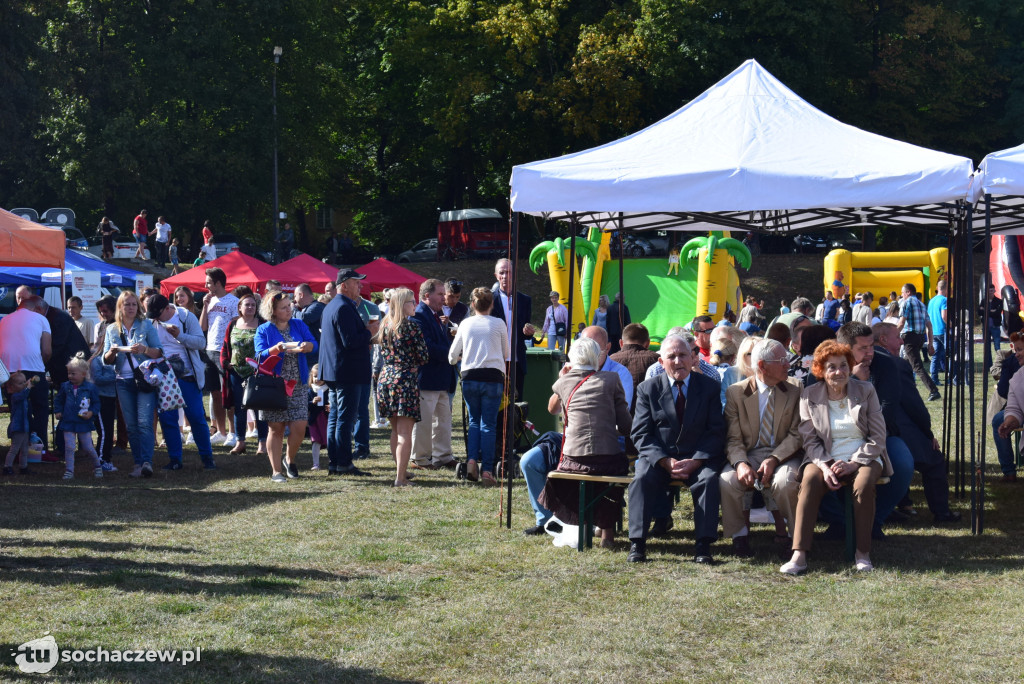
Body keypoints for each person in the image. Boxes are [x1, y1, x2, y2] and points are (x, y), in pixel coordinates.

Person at [780, 341, 891, 575]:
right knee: (809, 480)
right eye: (831, 367)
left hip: (864, 455)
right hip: (824, 457)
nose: (838, 372)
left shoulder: (866, 391)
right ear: (821, 370)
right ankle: (799, 554)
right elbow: (809, 439)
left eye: (843, 366)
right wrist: (826, 466)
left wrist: (854, 463)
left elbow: (879, 437)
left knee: (863, 484)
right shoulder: (809, 395)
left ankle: (863, 553)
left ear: (850, 367)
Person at [521, 326, 632, 536]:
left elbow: (553, 410)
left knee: (593, 473)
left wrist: (561, 379)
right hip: (602, 454)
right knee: (614, 473)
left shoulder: (572, 380)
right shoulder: (608, 379)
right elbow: (626, 427)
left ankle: (571, 523)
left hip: (574, 457)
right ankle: (601, 533)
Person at [626, 334, 725, 564]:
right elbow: (640, 433)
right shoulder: (647, 389)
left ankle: (703, 546)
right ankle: (637, 544)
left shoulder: (710, 387)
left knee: (709, 479)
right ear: (661, 362)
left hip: (698, 458)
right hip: (659, 457)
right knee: (641, 478)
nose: (678, 361)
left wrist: (697, 460)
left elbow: (716, 431)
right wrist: (663, 461)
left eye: (683, 355)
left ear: (693, 358)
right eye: (671, 357)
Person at [721, 339, 803, 556]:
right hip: (749, 453)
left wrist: (775, 459)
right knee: (728, 480)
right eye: (782, 360)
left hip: (784, 454)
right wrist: (740, 464)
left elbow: (797, 434)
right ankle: (739, 536)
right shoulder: (735, 393)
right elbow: (733, 438)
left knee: (786, 481)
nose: (788, 364)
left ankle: (796, 539)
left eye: (787, 359)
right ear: (762, 366)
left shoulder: (795, 389)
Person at [873, 323, 961, 522]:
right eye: (898, 337)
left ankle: (902, 504)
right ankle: (941, 512)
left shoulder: (863, 361)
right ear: (884, 340)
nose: (902, 341)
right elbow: (913, 405)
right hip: (896, 428)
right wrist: (928, 434)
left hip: (877, 429)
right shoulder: (896, 364)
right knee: (934, 461)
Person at [146, 294, 216, 471]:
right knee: (168, 419)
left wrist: (180, 336)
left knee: (196, 417)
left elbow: (201, 343)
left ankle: (207, 458)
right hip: (164, 376)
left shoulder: (185, 317)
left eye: (157, 314)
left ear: (167, 308)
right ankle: (175, 459)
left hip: (187, 376)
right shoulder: (152, 322)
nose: (155, 317)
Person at [254, 291, 317, 482]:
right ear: (272, 311)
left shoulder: (298, 324)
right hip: (274, 385)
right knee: (276, 428)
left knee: (300, 425)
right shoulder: (264, 329)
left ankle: (289, 459)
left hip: (297, 383)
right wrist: (277, 348)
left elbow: (314, 343)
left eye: (289, 306)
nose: (289, 310)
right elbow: (259, 355)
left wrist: (307, 345)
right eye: (284, 307)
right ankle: (276, 471)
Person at [318, 269, 376, 476]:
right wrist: (370, 332)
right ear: (343, 285)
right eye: (356, 283)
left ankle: (336, 462)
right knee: (344, 418)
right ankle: (343, 463)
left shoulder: (334, 305)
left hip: (336, 370)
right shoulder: (342, 306)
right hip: (346, 371)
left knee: (336, 417)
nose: (360, 286)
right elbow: (350, 341)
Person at [449, 287, 509, 484]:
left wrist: (461, 357)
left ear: (472, 304)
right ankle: (488, 470)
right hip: (493, 377)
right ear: (492, 304)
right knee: (489, 423)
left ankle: (472, 460)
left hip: (470, 376)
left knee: (474, 421)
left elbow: (451, 356)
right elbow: (506, 353)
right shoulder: (499, 323)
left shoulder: (465, 324)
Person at [103, 291, 162, 477]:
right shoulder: (112, 329)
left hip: (144, 379)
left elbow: (159, 352)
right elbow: (106, 360)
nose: (130, 308)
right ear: (120, 307)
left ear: (138, 307)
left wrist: (145, 349)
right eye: (127, 304)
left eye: (134, 304)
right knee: (131, 426)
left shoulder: (146, 326)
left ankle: (146, 462)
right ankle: (138, 463)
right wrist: (112, 352)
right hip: (123, 381)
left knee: (144, 422)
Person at [376, 287, 429, 486]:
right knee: (405, 433)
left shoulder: (385, 325)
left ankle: (402, 472)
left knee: (395, 430)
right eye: (411, 302)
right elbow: (424, 356)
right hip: (405, 378)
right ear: (402, 304)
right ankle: (400, 478)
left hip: (386, 378)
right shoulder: (411, 327)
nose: (415, 305)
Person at [408, 279, 456, 470]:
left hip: (442, 377)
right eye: (440, 294)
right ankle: (419, 458)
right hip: (427, 377)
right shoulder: (419, 315)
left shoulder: (436, 314)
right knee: (424, 422)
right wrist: (452, 354)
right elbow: (426, 347)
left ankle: (443, 455)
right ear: (427, 296)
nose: (444, 298)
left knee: (443, 420)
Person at [0, 296, 52, 456]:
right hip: (34, 367)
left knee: (17, 410)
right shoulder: (41, 319)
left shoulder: (4, 320)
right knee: (41, 408)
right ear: (38, 308)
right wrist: (41, 365)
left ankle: (19, 448)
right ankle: (40, 448)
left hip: (8, 371)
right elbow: (47, 350)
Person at [221, 291, 268, 456]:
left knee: (259, 409)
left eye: (253, 305)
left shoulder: (263, 324)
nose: (250, 307)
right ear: (239, 307)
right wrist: (226, 363)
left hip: (257, 373)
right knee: (239, 409)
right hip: (236, 373)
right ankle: (240, 442)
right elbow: (225, 347)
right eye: (247, 304)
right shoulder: (232, 324)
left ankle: (262, 444)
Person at [199, 267, 239, 447]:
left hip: (225, 351)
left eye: (208, 282)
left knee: (228, 394)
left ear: (217, 283)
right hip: (209, 349)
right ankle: (221, 432)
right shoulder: (209, 300)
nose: (206, 285)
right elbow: (202, 327)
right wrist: (205, 306)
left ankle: (233, 432)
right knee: (215, 393)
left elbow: (237, 327)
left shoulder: (233, 301)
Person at [490, 258, 535, 398]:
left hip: (517, 361)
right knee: (497, 402)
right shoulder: (489, 300)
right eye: (501, 272)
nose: (505, 276)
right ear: (496, 275)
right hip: (496, 360)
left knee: (517, 403)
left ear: (514, 274)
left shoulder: (524, 300)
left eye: (508, 272)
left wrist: (528, 332)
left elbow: (525, 331)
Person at [53, 354, 103, 479]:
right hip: (68, 421)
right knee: (69, 447)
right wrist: (58, 411)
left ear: (83, 374)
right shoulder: (65, 386)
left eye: (73, 373)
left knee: (87, 447)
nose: (70, 376)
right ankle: (69, 470)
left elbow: (97, 403)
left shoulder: (90, 388)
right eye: (69, 373)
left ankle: (97, 466)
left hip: (83, 422)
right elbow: (58, 399)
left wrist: (91, 412)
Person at [897, 282, 940, 401]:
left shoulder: (906, 303)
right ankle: (905, 388)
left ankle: (933, 390)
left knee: (917, 366)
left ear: (908, 292)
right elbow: (929, 326)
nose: (901, 295)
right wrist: (930, 343)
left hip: (909, 336)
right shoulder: (921, 304)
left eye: (902, 292)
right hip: (920, 337)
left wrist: (893, 334)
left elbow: (901, 322)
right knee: (904, 363)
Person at [610, 323, 660, 409]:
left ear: (621, 343)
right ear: (648, 343)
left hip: (617, 417)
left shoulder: (610, 361)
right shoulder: (657, 360)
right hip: (649, 415)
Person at [89, 346, 117, 471]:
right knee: (104, 431)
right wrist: (117, 377)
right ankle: (100, 460)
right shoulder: (97, 359)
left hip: (111, 398)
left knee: (109, 430)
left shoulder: (118, 358)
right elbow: (97, 378)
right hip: (101, 398)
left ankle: (106, 458)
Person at [3, 372, 35, 475]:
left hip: (24, 426)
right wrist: (28, 387)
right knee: (14, 449)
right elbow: (23, 395)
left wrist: (29, 385)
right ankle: (7, 467)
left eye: (24, 382)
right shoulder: (15, 396)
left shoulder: (23, 395)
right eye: (20, 383)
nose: (24, 384)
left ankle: (23, 467)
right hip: (18, 427)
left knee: (25, 449)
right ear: (12, 387)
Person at [293, 283, 325, 368]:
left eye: (295, 296)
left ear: (301, 295)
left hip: (316, 355)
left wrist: (293, 310)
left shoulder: (318, 306)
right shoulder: (306, 308)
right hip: (307, 354)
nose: (294, 300)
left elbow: (304, 319)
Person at [308, 364, 329, 470]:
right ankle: (315, 463)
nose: (317, 379)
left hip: (326, 420)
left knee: (329, 440)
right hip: (314, 420)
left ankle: (333, 461)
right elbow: (305, 405)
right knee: (315, 441)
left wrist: (330, 406)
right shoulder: (310, 390)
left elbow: (333, 402)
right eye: (315, 376)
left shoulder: (328, 390)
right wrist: (312, 402)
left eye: (320, 377)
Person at [928, 280, 948, 387]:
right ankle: (950, 377)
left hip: (933, 331)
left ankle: (934, 378)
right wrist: (951, 324)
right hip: (942, 330)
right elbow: (944, 316)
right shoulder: (944, 300)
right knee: (949, 354)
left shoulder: (931, 301)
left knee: (935, 356)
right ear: (946, 288)